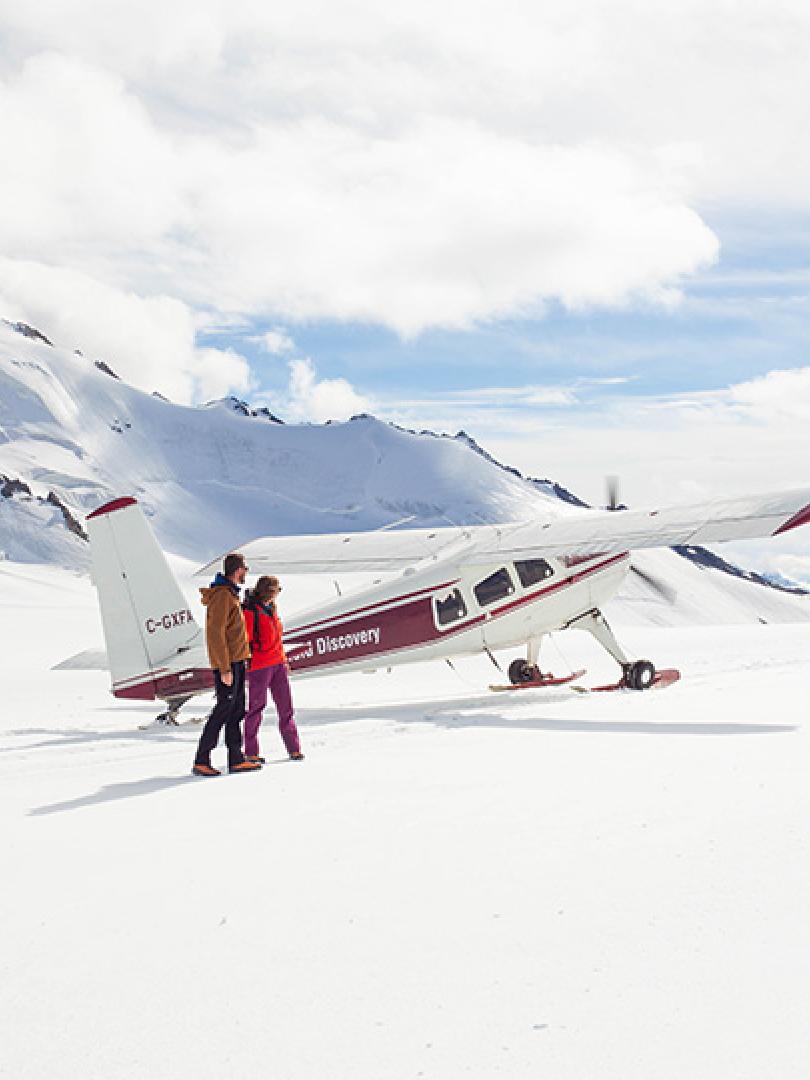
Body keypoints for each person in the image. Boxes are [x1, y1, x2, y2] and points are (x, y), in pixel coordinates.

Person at [192, 553, 262, 776]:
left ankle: (236, 758)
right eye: (245, 569)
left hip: (237, 662)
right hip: (228, 665)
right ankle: (201, 759)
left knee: (237, 710)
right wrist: (224, 669)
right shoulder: (222, 596)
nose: (246, 573)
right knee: (222, 710)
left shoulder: (231, 595)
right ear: (237, 570)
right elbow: (215, 634)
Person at [242, 575, 304, 763]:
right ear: (270, 591)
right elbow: (246, 640)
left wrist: (284, 660)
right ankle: (251, 751)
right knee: (256, 708)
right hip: (260, 666)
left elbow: (277, 639)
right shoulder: (250, 612)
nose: (279, 593)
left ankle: (294, 748)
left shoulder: (271, 609)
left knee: (286, 707)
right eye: (278, 589)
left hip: (277, 664)